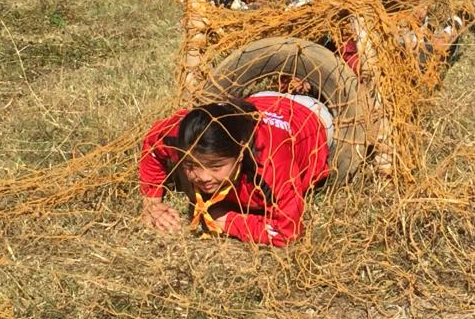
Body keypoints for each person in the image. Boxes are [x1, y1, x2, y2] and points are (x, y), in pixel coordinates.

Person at [140, 94, 332, 247]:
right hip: (257, 101)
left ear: (241, 153)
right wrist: (151, 203)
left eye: (216, 166)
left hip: (312, 113)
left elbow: (289, 232)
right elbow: (152, 145)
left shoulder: (270, 163)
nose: (204, 178)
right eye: (191, 166)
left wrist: (227, 220)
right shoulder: (185, 136)